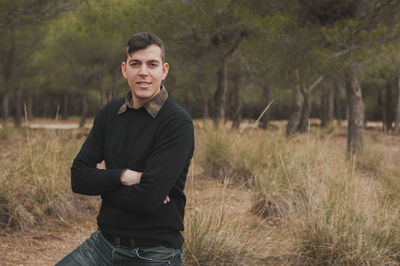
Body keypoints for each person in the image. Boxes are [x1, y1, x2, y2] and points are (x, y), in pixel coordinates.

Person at [56, 32, 194, 266]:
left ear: (164, 70)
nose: (143, 72)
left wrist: (103, 177)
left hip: (154, 253)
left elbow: (149, 200)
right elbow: (77, 177)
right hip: (102, 244)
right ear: (124, 69)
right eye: (135, 64)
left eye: (152, 64)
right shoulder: (109, 113)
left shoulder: (177, 123)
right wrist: (125, 176)